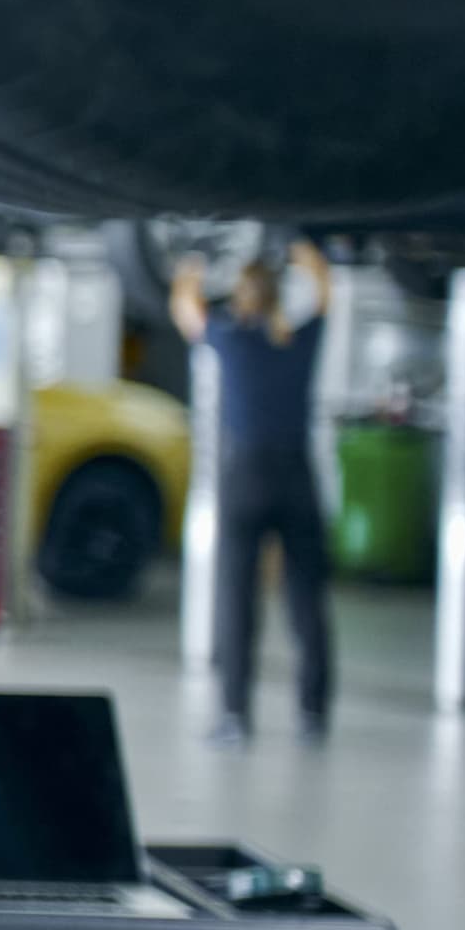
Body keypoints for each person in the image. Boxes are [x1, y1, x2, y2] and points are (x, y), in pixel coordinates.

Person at [171, 241, 336, 744]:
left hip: (245, 476)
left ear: (242, 299)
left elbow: (186, 312)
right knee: (307, 597)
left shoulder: (231, 339)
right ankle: (312, 715)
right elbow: (328, 297)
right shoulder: (298, 340)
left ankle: (235, 717)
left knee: (236, 599)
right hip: (296, 476)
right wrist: (309, 259)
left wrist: (191, 268)